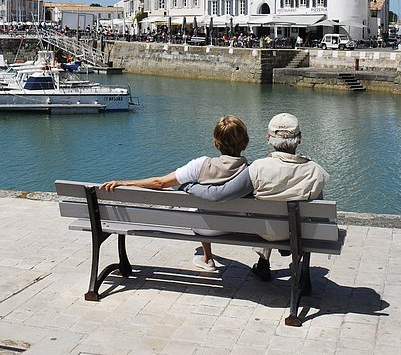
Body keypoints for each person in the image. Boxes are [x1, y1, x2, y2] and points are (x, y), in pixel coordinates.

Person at [181, 113, 329, 281]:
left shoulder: (257, 168)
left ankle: (263, 263)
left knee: (267, 208)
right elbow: (320, 217)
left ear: (268, 138)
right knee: (293, 214)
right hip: (300, 233)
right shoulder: (316, 171)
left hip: (266, 232)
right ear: (299, 138)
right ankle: (301, 272)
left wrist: (190, 187)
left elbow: (220, 194)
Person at [100, 115, 250, 270]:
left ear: (216, 142)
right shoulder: (252, 170)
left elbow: (160, 183)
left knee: (195, 204)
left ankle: (207, 258)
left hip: (204, 227)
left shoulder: (200, 165)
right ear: (245, 142)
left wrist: (124, 183)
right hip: (237, 227)